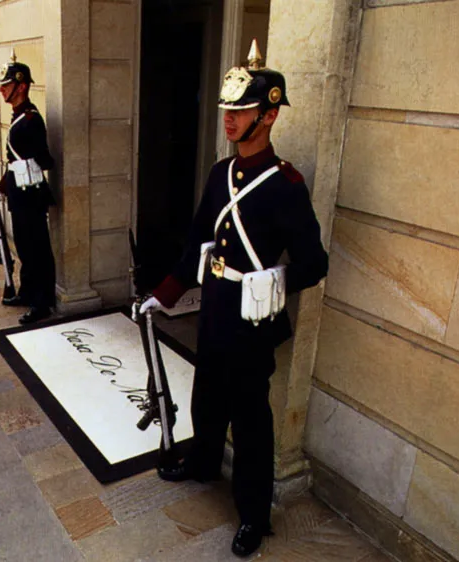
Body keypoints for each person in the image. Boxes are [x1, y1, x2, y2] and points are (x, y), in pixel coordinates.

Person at [138, 41, 329, 557]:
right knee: (206, 396)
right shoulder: (220, 174)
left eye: (242, 110)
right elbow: (196, 243)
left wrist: (272, 282)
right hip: (216, 310)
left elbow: (315, 263)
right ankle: (202, 463)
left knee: (250, 420)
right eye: (229, 109)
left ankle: (253, 514)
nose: (230, 118)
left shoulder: (285, 184)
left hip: (252, 321)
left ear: (267, 115)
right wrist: (165, 295)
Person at [0, 50, 56, 325]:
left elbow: (45, 159)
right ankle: (27, 291)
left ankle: (41, 303)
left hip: (30, 194)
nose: (2, 90)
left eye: (6, 85)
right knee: (23, 245)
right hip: (20, 192)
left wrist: (24, 168)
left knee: (36, 249)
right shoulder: (19, 116)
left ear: (21, 86)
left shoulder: (31, 119)